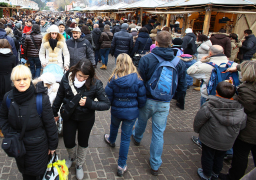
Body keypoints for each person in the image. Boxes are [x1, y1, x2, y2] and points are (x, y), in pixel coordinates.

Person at [133, 31, 187, 176]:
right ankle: (155, 164)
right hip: (165, 102)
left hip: (148, 99)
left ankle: (137, 138)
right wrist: (177, 98)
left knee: (141, 121)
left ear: (155, 43)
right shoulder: (179, 62)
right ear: (171, 44)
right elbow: (182, 84)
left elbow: (140, 81)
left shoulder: (147, 59)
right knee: (158, 133)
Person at [52, 58, 110, 180]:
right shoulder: (67, 78)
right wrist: (54, 112)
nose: (81, 79)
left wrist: (90, 103)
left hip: (86, 118)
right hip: (70, 116)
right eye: (79, 75)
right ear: (76, 71)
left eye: (85, 77)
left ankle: (79, 164)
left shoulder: (95, 83)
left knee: (83, 142)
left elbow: (106, 104)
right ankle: (72, 157)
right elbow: (59, 96)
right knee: (68, 141)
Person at [0, 65, 58, 180]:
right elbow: (2, 117)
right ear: (13, 81)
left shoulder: (41, 99)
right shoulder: (8, 98)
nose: (22, 83)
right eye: (18, 80)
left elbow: (50, 124)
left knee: (37, 174)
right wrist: (8, 133)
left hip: (38, 145)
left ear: (30, 79)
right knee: (25, 172)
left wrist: (52, 145)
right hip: (19, 145)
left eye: (25, 79)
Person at [103, 53, 146, 176]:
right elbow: (142, 99)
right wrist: (138, 107)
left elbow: (108, 97)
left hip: (117, 110)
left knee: (114, 126)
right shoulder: (138, 80)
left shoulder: (113, 79)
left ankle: (111, 139)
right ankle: (121, 165)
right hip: (131, 113)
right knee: (126, 138)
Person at [193, 81, 246, 180]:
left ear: (216, 92)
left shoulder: (209, 106)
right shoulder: (240, 110)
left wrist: (197, 130)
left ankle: (206, 174)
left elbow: (199, 120)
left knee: (207, 156)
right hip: (227, 141)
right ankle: (215, 173)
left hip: (209, 139)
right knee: (220, 157)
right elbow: (242, 125)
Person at [219, 61, 256, 180]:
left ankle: (234, 176)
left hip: (250, 128)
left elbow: (247, 107)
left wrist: (233, 94)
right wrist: (236, 68)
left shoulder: (247, 90)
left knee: (241, 154)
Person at [0, 39, 17, 134]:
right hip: (10, 82)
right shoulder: (12, 57)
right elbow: (15, 70)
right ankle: (12, 125)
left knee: (0, 106)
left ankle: (2, 129)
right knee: (12, 105)